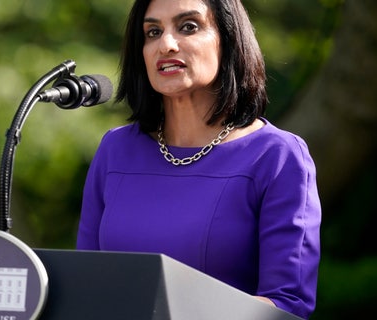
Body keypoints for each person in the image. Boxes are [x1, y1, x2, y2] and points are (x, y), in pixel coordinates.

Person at [75, 0, 321, 318]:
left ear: (228, 39)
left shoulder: (277, 157)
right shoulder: (115, 150)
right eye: (152, 32)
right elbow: (84, 282)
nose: (166, 44)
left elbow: (287, 304)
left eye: (188, 27)